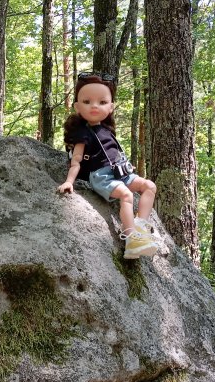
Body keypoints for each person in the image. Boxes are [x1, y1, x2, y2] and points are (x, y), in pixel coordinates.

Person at [57, 72, 158, 259]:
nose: (94, 106)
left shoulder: (106, 130)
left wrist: (127, 166)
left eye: (102, 102)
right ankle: (131, 239)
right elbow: (76, 160)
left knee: (149, 186)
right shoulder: (83, 133)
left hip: (119, 172)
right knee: (126, 195)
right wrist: (69, 181)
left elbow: (112, 152)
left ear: (111, 107)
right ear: (77, 106)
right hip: (101, 176)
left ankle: (140, 227)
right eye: (87, 102)